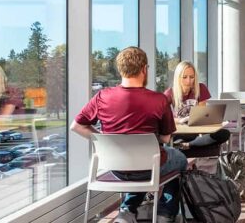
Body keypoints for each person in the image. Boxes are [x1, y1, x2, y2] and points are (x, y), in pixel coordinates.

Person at [70, 47, 185, 223]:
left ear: (120, 69)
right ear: (144, 69)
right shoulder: (159, 100)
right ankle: (165, 213)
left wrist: (103, 140)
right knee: (180, 159)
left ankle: (127, 211)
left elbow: (76, 126)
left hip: (116, 169)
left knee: (136, 163)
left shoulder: (102, 97)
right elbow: (165, 138)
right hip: (149, 167)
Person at [164, 61, 230, 153]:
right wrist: (180, 120)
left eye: (192, 77)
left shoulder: (201, 88)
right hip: (181, 131)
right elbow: (165, 118)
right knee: (172, 138)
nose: (188, 81)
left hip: (197, 130)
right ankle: (193, 145)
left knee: (224, 134)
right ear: (178, 77)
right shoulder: (170, 93)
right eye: (184, 77)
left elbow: (202, 114)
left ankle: (189, 145)